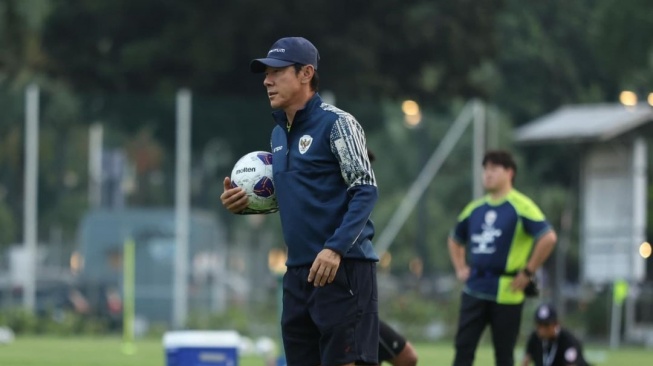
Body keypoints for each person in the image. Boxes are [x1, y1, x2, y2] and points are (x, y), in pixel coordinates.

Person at [221, 36, 380, 366]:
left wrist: (335, 248)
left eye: (277, 72)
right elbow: (298, 196)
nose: (267, 80)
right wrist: (246, 203)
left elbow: (365, 189)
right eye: (265, 74)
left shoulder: (338, 123)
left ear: (306, 73)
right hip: (297, 273)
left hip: (343, 267)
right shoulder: (278, 134)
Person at [447, 150, 558, 366]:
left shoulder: (521, 206)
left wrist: (528, 271)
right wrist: (460, 267)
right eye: (485, 169)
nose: (487, 174)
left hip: (508, 291)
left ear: (509, 173)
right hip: (475, 287)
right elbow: (454, 239)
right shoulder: (475, 208)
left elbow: (548, 237)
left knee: (504, 355)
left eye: (494, 169)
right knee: (463, 349)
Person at [522, 303, 590, 366]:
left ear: (556, 324)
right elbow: (526, 360)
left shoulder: (568, 341)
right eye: (539, 325)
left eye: (546, 325)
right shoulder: (535, 338)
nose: (542, 329)